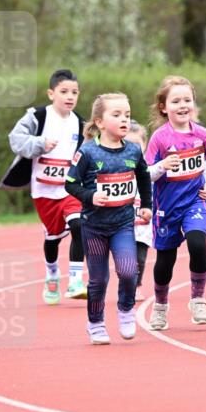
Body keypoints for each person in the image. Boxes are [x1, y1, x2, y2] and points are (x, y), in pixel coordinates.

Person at [65, 94, 151, 344]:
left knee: (127, 270)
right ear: (100, 122)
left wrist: (146, 205)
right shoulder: (88, 152)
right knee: (99, 279)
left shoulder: (134, 150)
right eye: (117, 115)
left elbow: (144, 177)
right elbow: (70, 184)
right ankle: (96, 323)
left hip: (123, 224)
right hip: (94, 227)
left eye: (127, 114)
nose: (124, 119)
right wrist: (90, 196)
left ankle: (125, 309)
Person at [1, 69, 86, 304]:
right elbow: (15, 139)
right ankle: (52, 273)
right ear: (51, 93)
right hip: (43, 190)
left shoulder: (80, 122)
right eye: (64, 92)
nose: (70, 97)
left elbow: (88, 151)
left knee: (80, 225)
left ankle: (76, 280)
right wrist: (39, 144)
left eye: (75, 92)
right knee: (53, 239)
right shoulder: (38, 116)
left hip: (69, 189)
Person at [145, 75, 206, 330]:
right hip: (167, 207)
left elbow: (205, 162)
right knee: (166, 260)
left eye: (187, 99)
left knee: (198, 244)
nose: (183, 105)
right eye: (176, 101)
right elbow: (146, 173)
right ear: (164, 107)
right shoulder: (160, 138)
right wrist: (162, 166)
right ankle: (160, 306)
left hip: (195, 201)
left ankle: (198, 299)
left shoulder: (203, 134)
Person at [125, 121, 152, 302]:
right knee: (126, 260)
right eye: (129, 144)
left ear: (144, 145)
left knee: (140, 259)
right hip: (123, 224)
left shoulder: (151, 168)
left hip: (143, 225)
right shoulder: (116, 167)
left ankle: (137, 284)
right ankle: (128, 285)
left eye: (137, 144)